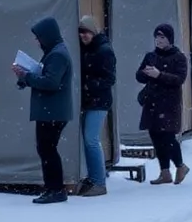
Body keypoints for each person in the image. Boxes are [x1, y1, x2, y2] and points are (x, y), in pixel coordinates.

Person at [13, 17, 74, 204]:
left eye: (38, 37)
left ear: (47, 36)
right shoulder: (55, 52)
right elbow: (45, 76)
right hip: (51, 111)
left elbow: (50, 82)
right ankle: (53, 188)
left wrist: (26, 76)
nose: (36, 41)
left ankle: (55, 189)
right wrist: (25, 78)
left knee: (47, 149)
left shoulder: (57, 55)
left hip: (52, 112)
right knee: (47, 149)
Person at [137, 23, 190, 185]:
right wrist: (145, 73)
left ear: (170, 39)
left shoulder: (178, 57)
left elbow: (179, 79)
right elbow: (139, 76)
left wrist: (159, 74)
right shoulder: (151, 56)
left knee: (167, 136)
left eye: (162, 37)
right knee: (155, 136)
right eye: (157, 37)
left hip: (169, 103)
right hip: (152, 101)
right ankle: (164, 171)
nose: (158, 41)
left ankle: (180, 166)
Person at [77, 15, 116, 197]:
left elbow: (110, 79)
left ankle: (99, 182)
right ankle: (94, 178)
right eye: (80, 32)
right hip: (90, 101)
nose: (83, 35)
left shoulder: (104, 50)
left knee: (91, 139)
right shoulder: (88, 49)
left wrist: (88, 85)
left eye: (86, 31)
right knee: (89, 139)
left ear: (93, 31)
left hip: (99, 102)